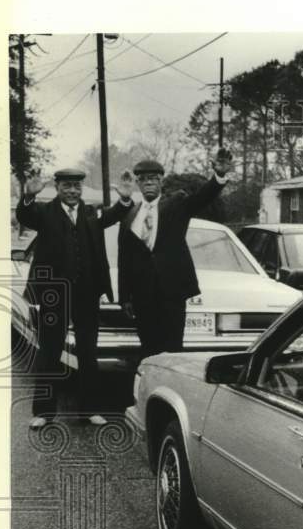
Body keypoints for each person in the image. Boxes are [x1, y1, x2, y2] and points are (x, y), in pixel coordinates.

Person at [17, 168, 135, 427]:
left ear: (81, 189)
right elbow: (25, 214)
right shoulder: (44, 212)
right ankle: (43, 413)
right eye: (67, 186)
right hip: (53, 293)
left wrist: (125, 199)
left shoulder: (92, 212)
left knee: (87, 352)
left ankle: (89, 410)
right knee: (49, 351)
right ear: (57, 187)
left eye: (76, 186)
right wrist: (28, 194)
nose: (72, 191)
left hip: (87, 292)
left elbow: (115, 214)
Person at [118, 149, 233, 357]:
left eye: (153, 179)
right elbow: (124, 257)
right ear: (138, 184)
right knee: (149, 349)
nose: (149, 183)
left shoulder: (177, 204)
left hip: (172, 292)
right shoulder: (129, 214)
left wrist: (219, 177)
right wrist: (125, 297)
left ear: (161, 181)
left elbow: (202, 198)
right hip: (142, 296)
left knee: (172, 349)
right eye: (143, 180)